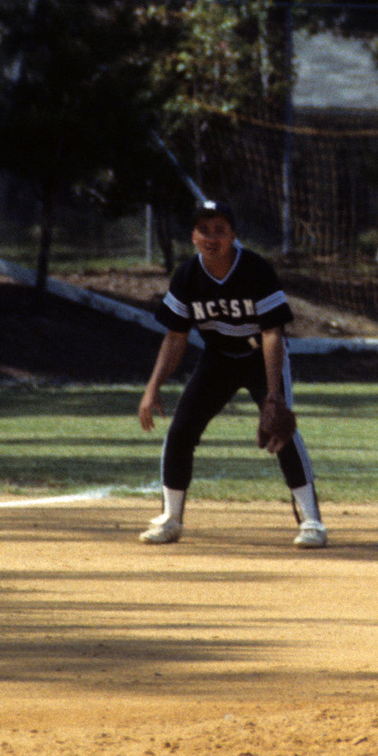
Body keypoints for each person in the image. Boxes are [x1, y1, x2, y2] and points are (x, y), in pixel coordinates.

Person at [137, 197, 327, 549]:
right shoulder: (187, 275)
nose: (212, 238)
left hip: (261, 357)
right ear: (193, 236)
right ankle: (170, 519)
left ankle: (312, 522)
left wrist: (274, 394)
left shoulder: (255, 269)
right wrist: (152, 388)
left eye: (219, 230)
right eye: (204, 230)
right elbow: (176, 337)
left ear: (233, 235)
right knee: (181, 431)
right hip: (218, 358)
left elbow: (272, 334)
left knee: (281, 429)